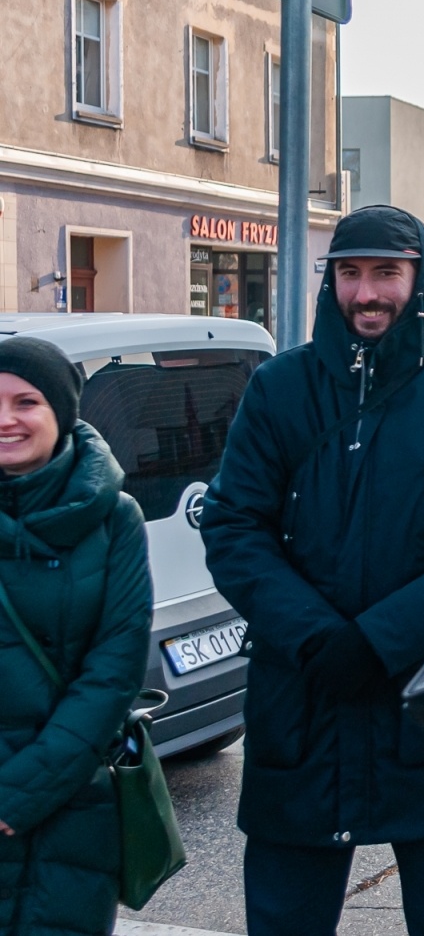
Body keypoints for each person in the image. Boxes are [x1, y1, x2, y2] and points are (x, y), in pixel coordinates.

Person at [201, 205, 424, 936]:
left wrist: (378, 641)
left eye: (387, 272)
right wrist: (320, 639)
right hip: (303, 708)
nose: (367, 292)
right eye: (350, 273)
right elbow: (233, 525)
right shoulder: (280, 388)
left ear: (421, 279)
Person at [0, 337, 152, 935]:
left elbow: (113, 673)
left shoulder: (115, 519)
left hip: (71, 802)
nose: (5, 420)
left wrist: (17, 796)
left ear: (61, 413)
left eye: (26, 401)